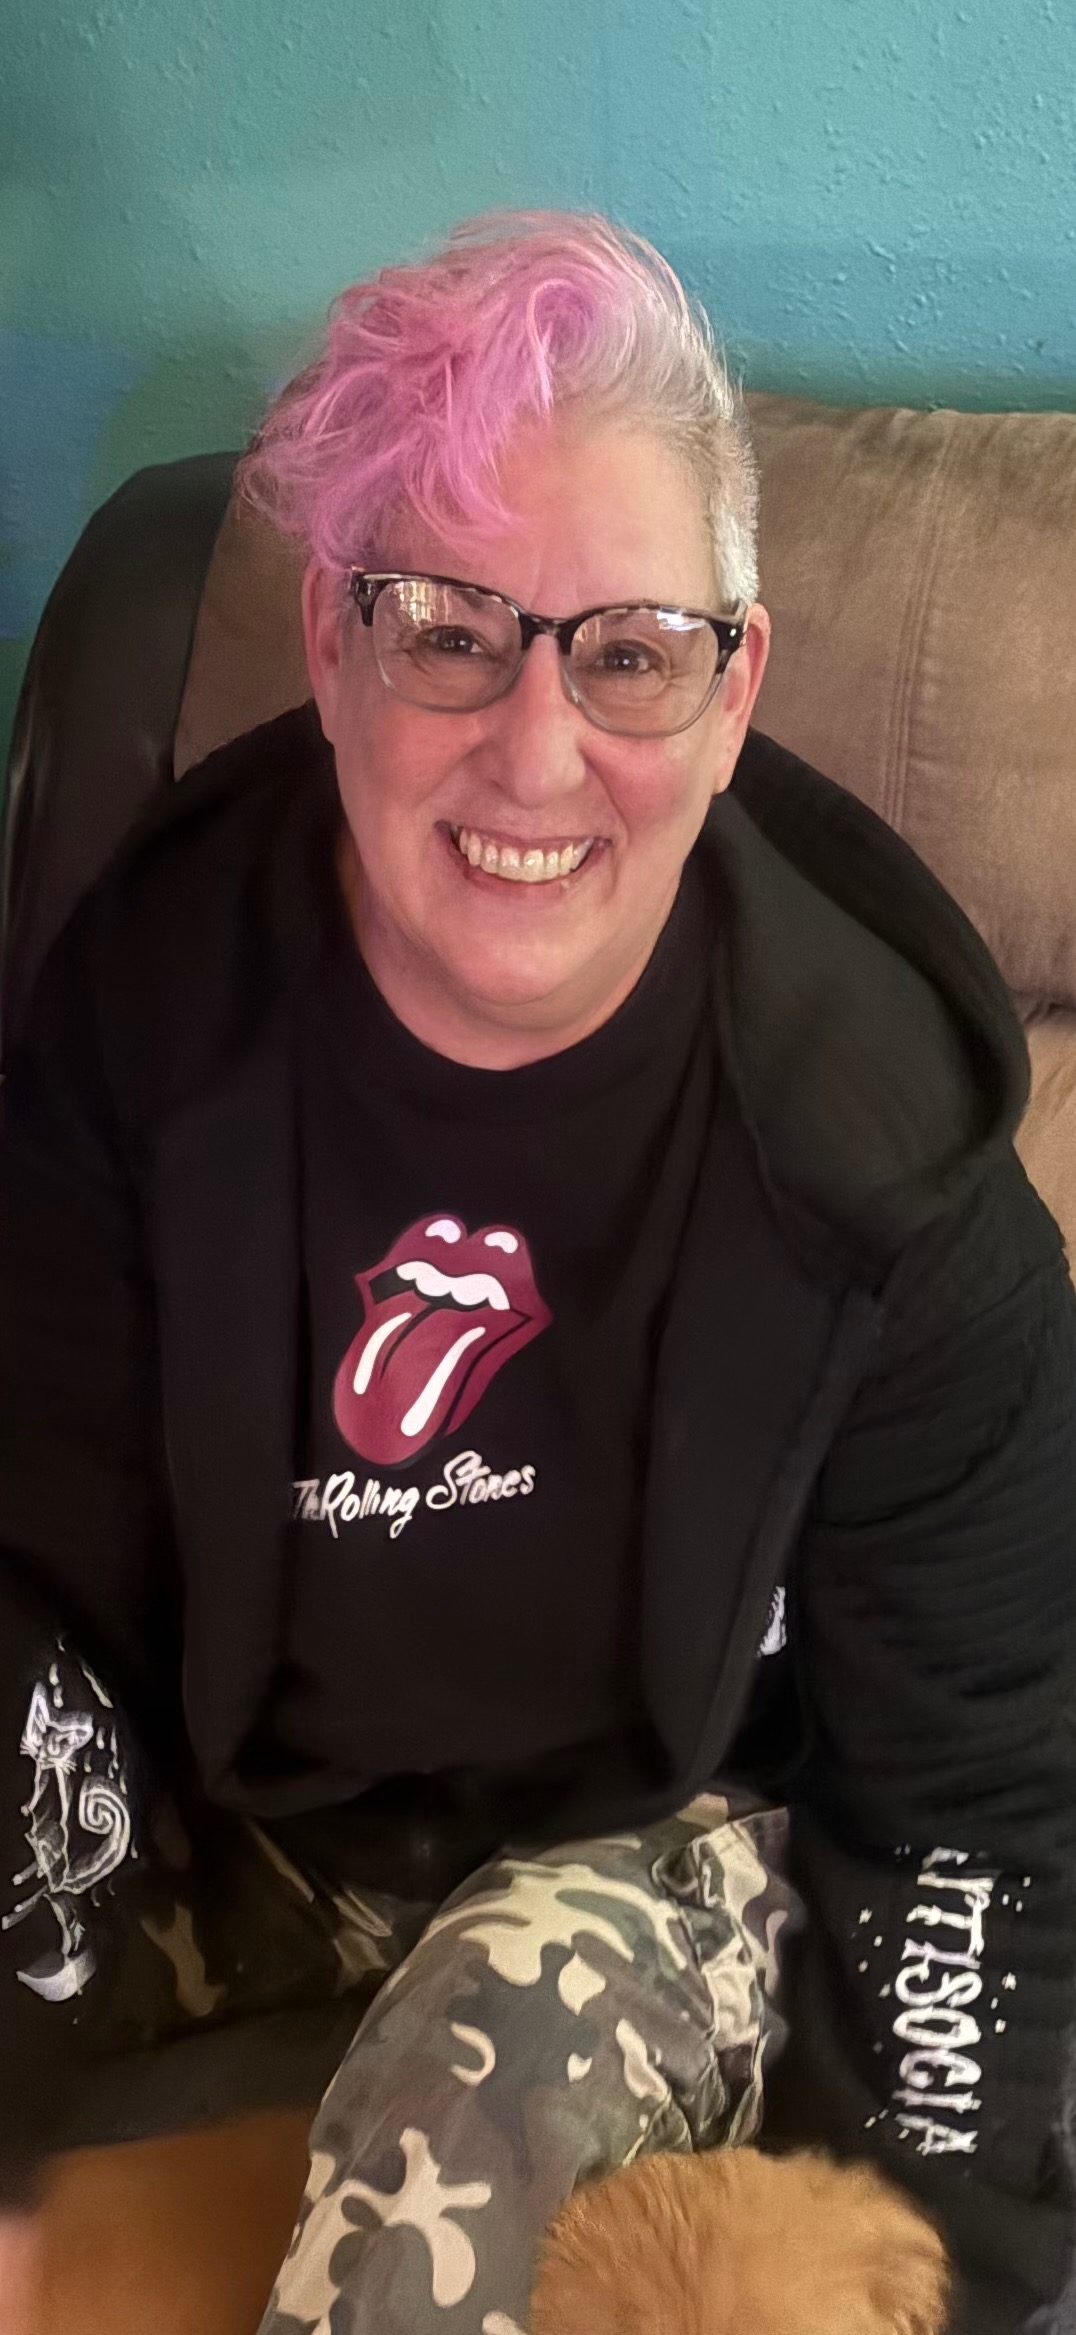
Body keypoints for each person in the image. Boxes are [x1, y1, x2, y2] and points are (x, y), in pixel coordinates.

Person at [0, 210, 1073, 2335]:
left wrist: (937, 2268)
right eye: (450, 630)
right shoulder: (151, 1002)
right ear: (332, 648)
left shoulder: (887, 1169)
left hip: (666, 1843)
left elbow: (980, 1806)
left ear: (733, 686)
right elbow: (44, 1522)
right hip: (242, 1803)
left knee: (476, 2071)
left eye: (630, 651)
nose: (538, 745)